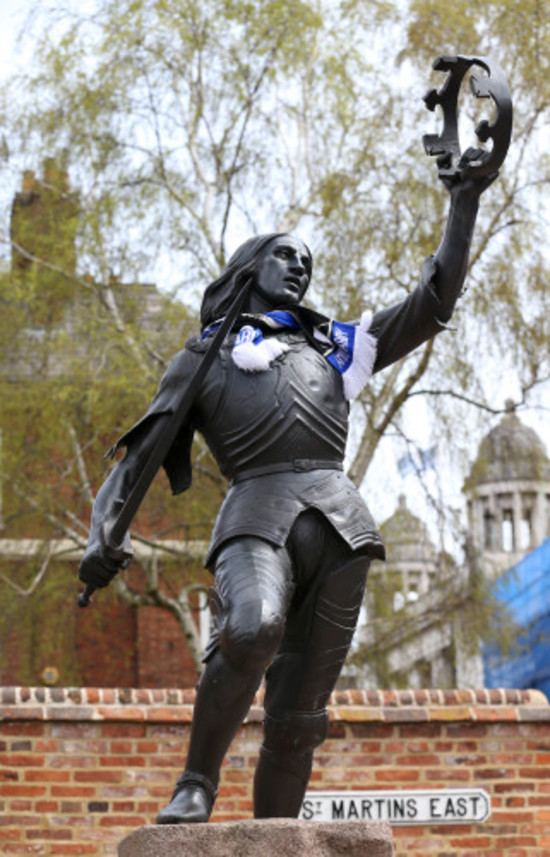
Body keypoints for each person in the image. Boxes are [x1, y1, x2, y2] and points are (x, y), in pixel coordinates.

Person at [79, 161, 495, 823]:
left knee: (301, 715)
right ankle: (196, 781)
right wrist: (103, 534)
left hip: (340, 525)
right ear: (250, 267)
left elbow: (434, 301)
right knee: (251, 625)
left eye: (307, 260)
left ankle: (278, 832)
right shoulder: (205, 356)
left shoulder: (337, 348)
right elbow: (135, 463)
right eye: (284, 255)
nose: (300, 267)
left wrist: (464, 203)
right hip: (256, 510)